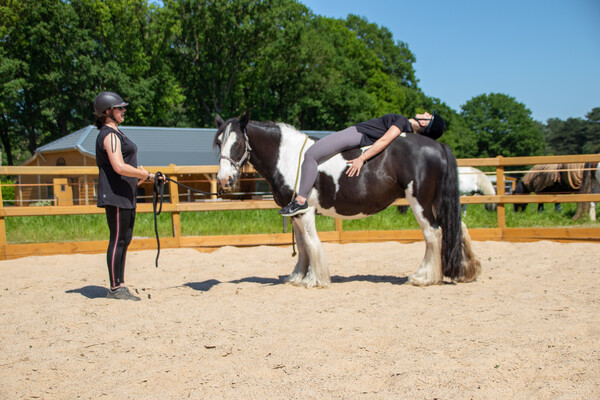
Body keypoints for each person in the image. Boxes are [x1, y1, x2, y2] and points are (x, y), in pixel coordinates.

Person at [279, 111, 446, 217]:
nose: (425, 112)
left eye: (428, 115)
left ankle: (300, 201)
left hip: (356, 133)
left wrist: (362, 158)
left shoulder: (402, 122)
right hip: (357, 135)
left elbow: (385, 140)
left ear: (424, 123)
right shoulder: (407, 133)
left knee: (311, 154)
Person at [94, 91, 156, 301]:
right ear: (107, 111)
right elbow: (119, 167)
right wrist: (145, 174)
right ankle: (115, 287)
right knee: (118, 239)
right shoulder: (109, 136)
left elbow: (123, 168)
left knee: (125, 239)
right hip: (116, 195)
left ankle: (119, 284)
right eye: (119, 108)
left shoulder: (118, 134)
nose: (123, 111)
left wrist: (145, 178)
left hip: (125, 193)